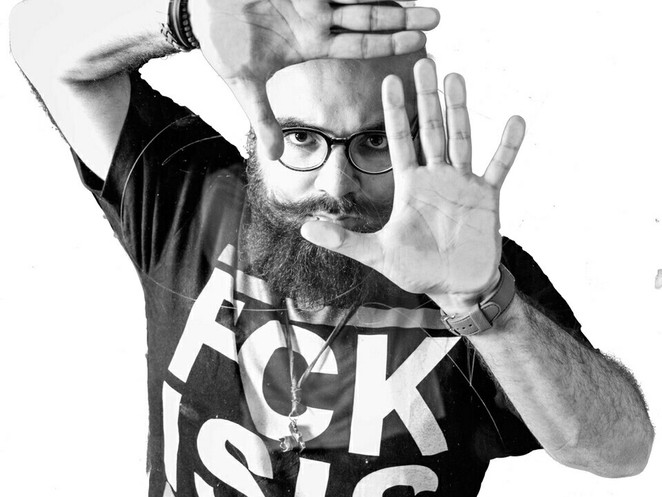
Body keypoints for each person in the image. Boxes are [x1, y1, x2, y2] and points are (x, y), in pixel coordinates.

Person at [9, 1, 654, 496]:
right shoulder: (191, 202)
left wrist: (485, 308)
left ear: (419, 142)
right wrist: (183, 15)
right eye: (301, 138)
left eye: (374, 142)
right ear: (255, 130)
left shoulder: (473, 272)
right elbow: (41, 48)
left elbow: (621, 451)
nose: (336, 185)